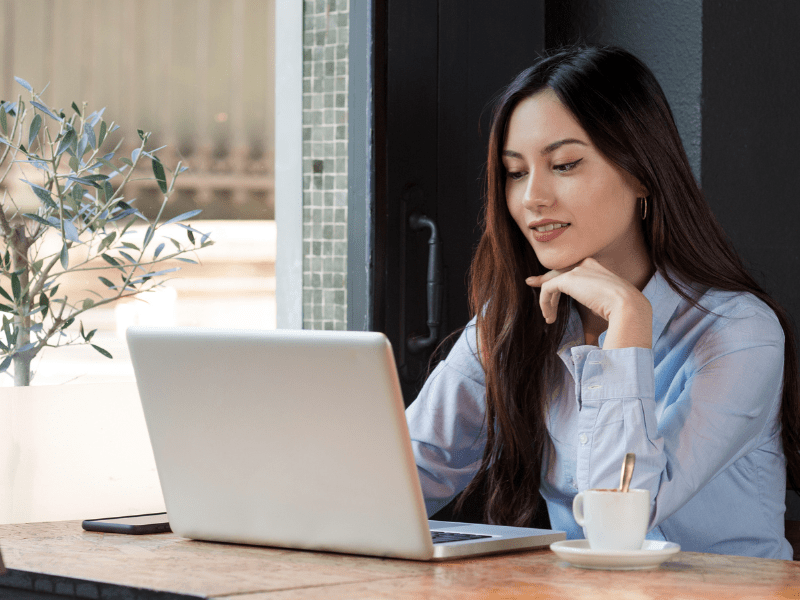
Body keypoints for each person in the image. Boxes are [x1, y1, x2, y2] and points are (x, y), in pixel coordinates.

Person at [405, 45, 800, 559]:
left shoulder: (739, 333)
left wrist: (628, 325)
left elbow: (621, 525)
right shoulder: (510, 324)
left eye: (564, 164)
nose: (532, 198)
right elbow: (408, 473)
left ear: (640, 171)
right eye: (515, 172)